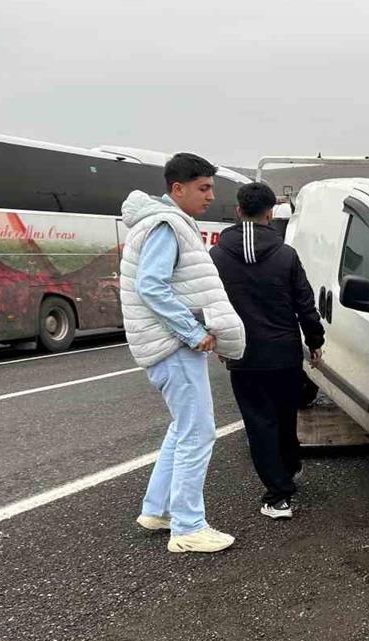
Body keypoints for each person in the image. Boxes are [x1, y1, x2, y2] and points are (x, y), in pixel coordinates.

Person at [120, 153, 246, 553]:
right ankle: (188, 528)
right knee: (198, 432)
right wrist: (192, 333)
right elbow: (151, 285)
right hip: (173, 344)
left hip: (166, 344)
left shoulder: (166, 222)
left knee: (183, 427)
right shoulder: (166, 225)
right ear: (178, 188)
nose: (210, 196)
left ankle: (158, 509)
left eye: (211, 188)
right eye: (203, 188)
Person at [211, 182, 325, 520]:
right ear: (270, 213)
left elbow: (211, 304)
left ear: (238, 210)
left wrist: (219, 341)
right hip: (284, 352)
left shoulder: (217, 255)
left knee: (259, 423)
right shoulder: (286, 254)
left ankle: (278, 497)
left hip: (243, 355)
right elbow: (305, 303)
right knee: (286, 416)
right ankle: (290, 470)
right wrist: (315, 341)